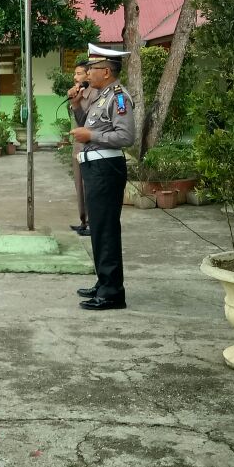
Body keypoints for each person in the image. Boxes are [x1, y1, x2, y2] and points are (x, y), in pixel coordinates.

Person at [69, 44, 136, 311]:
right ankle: (103, 281)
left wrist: (91, 136)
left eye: (92, 69)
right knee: (98, 228)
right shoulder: (99, 95)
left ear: (106, 72)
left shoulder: (118, 97)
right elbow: (88, 123)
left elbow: (126, 136)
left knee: (106, 230)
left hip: (107, 170)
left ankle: (112, 293)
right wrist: (76, 106)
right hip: (95, 169)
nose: (87, 73)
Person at [67, 61, 99, 236]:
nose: (75, 77)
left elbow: (86, 124)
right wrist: (74, 100)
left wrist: (76, 104)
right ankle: (83, 221)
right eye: (75, 73)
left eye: (79, 73)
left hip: (90, 149)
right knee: (79, 186)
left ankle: (93, 223)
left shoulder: (94, 96)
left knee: (89, 187)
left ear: (88, 75)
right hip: (77, 148)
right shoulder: (77, 94)